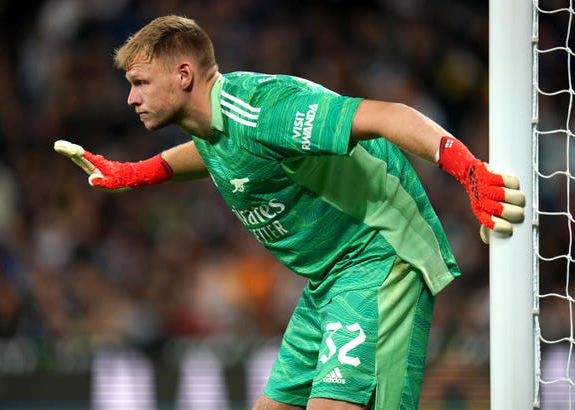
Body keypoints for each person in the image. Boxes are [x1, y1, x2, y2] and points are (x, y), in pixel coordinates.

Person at [54, 15, 525, 410]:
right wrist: (138, 173)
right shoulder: (212, 121)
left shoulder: (266, 110)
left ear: (182, 75)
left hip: (380, 258)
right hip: (327, 281)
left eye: (140, 83)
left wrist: (469, 170)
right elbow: (216, 149)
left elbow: (387, 116)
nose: (131, 98)